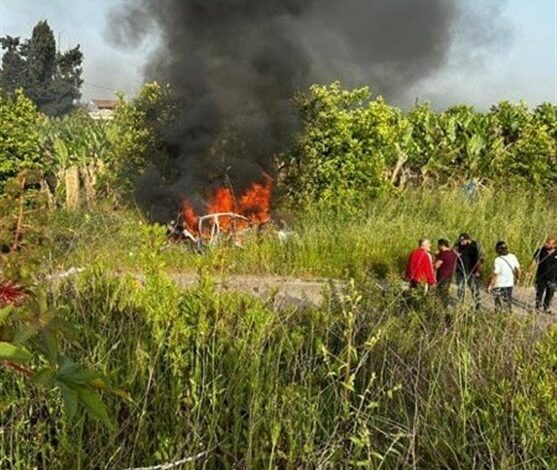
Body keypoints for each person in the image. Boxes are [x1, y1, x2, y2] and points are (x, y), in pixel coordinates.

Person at [487, 241, 521, 313]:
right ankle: (508, 318)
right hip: (509, 284)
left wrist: (490, 285)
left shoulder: (497, 260)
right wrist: (518, 279)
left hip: (499, 285)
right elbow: (518, 269)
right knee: (508, 302)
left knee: (498, 303)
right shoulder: (513, 256)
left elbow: (495, 274)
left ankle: (498, 318)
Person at [455, 233, 482, 309]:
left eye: (463, 240)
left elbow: (478, 259)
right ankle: (461, 303)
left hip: (471, 270)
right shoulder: (459, 245)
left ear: (468, 240)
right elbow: (453, 250)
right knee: (460, 287)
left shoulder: (474, 246)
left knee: (473, 287)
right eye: (460, 240)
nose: (461, 242)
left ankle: (478, 302)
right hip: (460, 270)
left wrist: (477, 271)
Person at [532, 238, 557, 314]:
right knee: (539, 292)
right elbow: (534, 261)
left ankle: (546, 308)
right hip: (541, 276)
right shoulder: (541, 250)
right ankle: (537, 307)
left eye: (549, 243)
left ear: (555, 245)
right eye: (546, 242)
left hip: (553, 277)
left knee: (550, 293)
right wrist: (530, 270)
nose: (546, 244)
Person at [434, 239, 459, 307]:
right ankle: (444, 306)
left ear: (441, 245)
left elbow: (436, 265)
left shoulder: (443, 254)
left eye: (438, 245)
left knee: (439, 293)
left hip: (442, 276)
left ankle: (439, 307)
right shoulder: (453, 254)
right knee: (445, 292)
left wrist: (434, 260)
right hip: (449, 276)